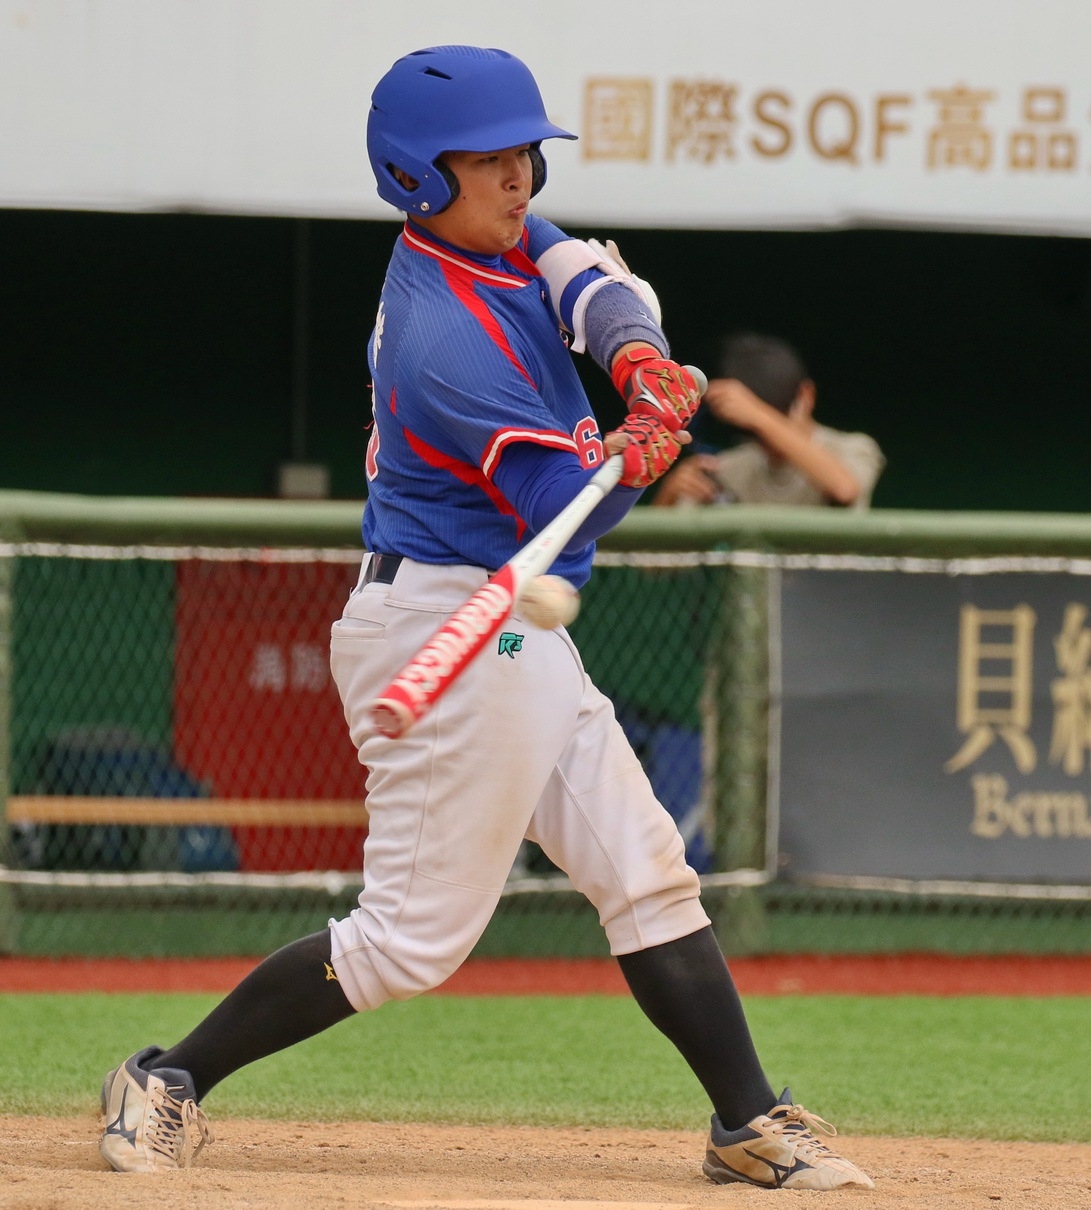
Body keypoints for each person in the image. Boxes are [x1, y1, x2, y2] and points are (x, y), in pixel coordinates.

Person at [97, 46, 873, 1192]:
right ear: (419, 176)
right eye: (489, 160)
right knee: (408, 940)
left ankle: (743, 1120)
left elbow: (583, 277)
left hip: (505, 621)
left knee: (646, 872)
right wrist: (642, 448)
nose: (519, 177)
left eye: (524, 153)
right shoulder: (442, 337)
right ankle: (166, 1078)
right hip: (442, 623)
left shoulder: (494, 239)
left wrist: (637, 359)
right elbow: (566, 507)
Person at [653, 331, 884, 509]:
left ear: (807, 395)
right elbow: (655, 558)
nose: (765, 434)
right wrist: (669, 496)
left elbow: (845, 490)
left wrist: (759, 415)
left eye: (777, 412)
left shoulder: (854, 448)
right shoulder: (728, 468)